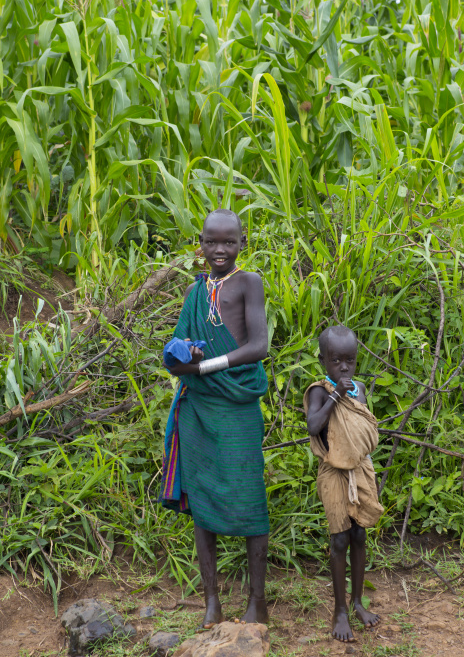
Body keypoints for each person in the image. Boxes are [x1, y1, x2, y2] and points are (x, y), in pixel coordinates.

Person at [159, 208, 269, 628]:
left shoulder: (248, 283)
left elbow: (258, 345)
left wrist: (206, 365)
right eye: (211, 242)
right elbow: (176, 351)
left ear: (243, 242)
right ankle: (212, 601)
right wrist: (187, 353)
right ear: (200, 243)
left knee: (249, 499)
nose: (219, 250)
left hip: (237, 407)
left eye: (229, 242)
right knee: (202, 499)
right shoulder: (195, 292)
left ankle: (257, 601)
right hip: (199, 410)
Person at [304, 325, 384, 643]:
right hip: (333, 473)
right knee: (339, 541)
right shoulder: (320, 391)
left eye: (350, 360)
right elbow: (313, 426)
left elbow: (362, 432)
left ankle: (357, 602)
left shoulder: (360, 389)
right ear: (324, 359)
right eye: (337, 361)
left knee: (360, 534)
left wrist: (348, 392)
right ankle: (339, 611)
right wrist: (336, 394)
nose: (344, 368)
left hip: (361, 470)